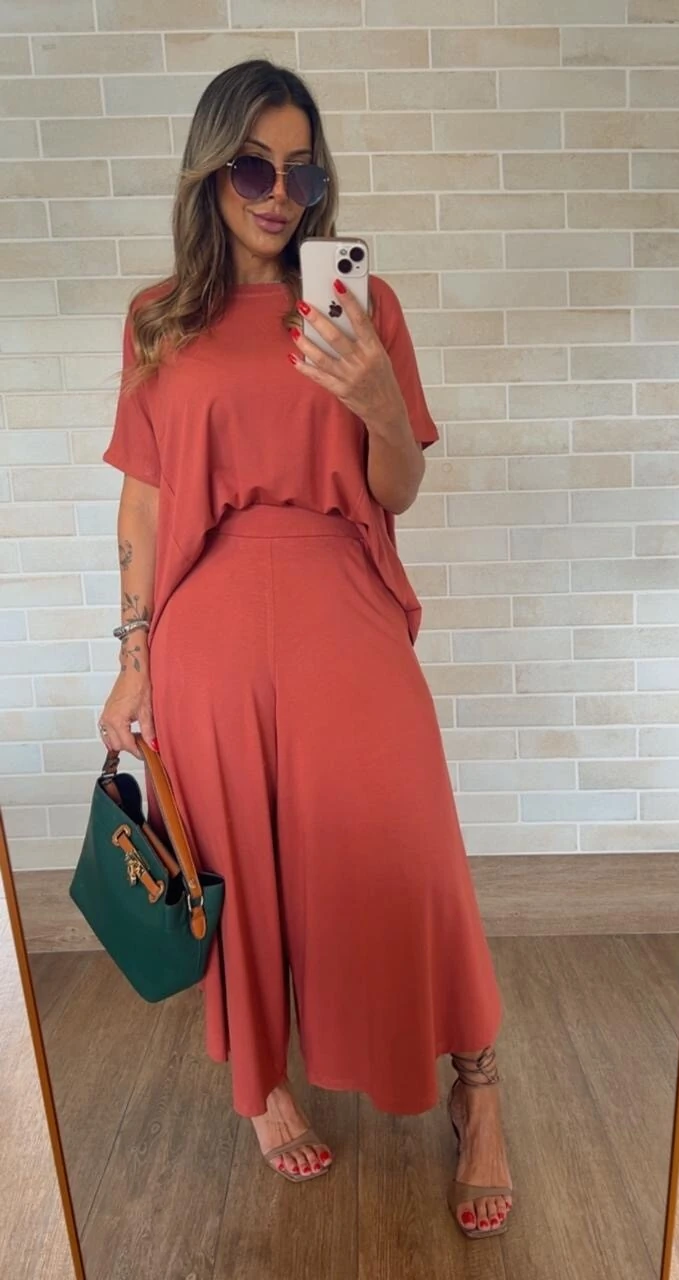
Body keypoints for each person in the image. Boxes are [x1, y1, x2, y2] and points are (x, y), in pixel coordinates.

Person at [97, 59, 513, 1240]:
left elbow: (400, 486)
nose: (279, 192)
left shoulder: (363, 309)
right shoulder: (158, 317)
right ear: (211, 170)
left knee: (409, 846)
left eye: (302, 171)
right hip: (206, 626)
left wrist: (378, 398)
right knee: (235, 863)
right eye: (252, 168)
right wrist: (131, 653)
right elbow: (144, 502)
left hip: (342, 593)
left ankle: (478, 1087)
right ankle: (263, 1083)